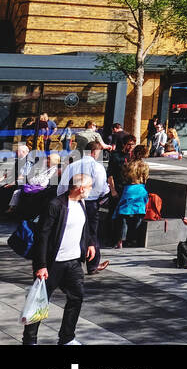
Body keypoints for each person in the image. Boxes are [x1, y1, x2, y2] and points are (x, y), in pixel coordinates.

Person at [24, 172, 98, 346]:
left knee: (76, 298)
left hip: (73, 263)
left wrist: (89, 243)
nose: (90, 190)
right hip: (52, 264)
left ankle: (67, 338)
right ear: (80, 188)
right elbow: (43, 236)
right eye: (89, 186)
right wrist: (41, 265)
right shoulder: (55, 205)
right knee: (40, 301)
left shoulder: (82, 203)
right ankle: (29, 341)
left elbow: (84, 226)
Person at [58, 140, 111, 274]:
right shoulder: (98, 167)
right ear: (95, 152)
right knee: (92, 232)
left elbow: (62, 186)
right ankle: (92, 264)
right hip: (90, 202)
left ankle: (72, 259)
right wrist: (97, 197)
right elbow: (102, 187)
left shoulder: (73, 166)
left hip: (73, 200)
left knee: (73, 230)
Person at [112, 160, 150, 247]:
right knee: (135, 225)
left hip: (125, 210)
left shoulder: (127, 188)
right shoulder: (142, 188)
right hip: (139, 209)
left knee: (123, 225)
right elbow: (145, 199)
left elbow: (122, 200)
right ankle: (132, 240)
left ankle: (120, 241)